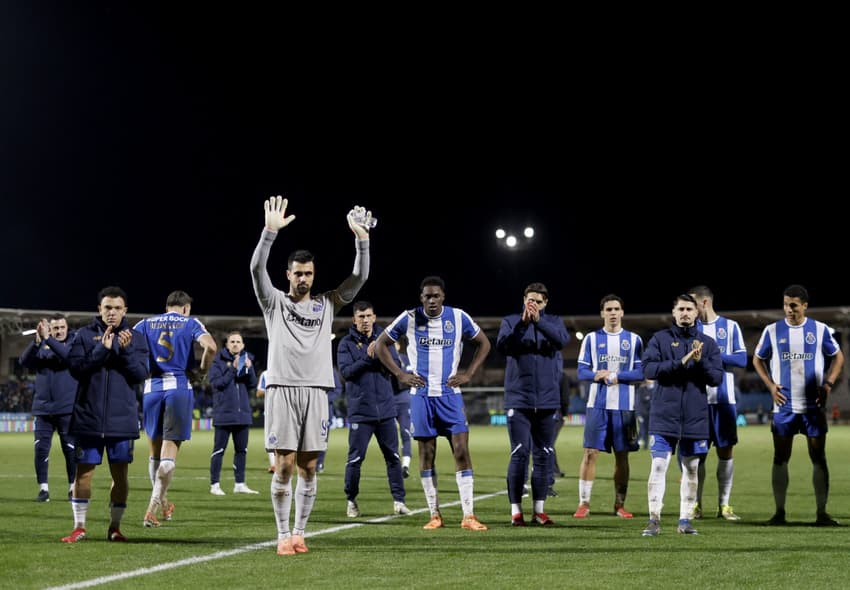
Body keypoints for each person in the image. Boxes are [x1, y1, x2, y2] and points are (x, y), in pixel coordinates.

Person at [251, 196, 371, 556]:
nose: (303, 278)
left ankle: (300, 533)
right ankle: (281, 534)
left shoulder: (327, 304)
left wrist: (361, 241)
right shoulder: (274, 303)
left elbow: (359, 277)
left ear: (313, 275)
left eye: (308, 273)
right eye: (297, 273)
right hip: (283, 389)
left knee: (309, 468)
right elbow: (257, 270)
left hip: (317, 391)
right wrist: (269, 233)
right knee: (284, 466)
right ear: (288, 274)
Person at [375, 275, 492, 532]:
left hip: (451, 396)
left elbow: (484, 342)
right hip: (421, 397)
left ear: (443, 297)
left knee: (461, 450)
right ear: (421, 298)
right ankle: (434, 514)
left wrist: (469, 373)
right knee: (427, 454)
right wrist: (400, 374)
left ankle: (469, 515)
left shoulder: (458, 317)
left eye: (435, 296)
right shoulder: (409, 318)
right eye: (427, 296)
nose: (431, 300)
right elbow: (380, 344)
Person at [61, 286, 149, 543]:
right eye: (107, 307)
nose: (112, 312)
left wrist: (123, 351)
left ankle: (115, 527)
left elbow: (140, 375)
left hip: (121, 420)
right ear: (99, 309)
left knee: (120, 475)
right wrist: (103, 350)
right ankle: (79, 527)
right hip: (88, 418)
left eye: (117, 308)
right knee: (83, 473)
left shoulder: (137, 338)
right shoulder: (83, 336)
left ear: (125, 311)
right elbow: (77, 369)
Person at [752, 284, 844, 526]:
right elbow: (757, 359)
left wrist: (828, 384)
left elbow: (838, 356)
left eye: (793, 305)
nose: (788, 309)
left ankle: (822, 513)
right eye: (785, 305)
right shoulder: (772, 331)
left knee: (818, 456)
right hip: (784, 407)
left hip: (813, 407)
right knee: (780, 457)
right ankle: (779, 512)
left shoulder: (820, 330)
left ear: (804, 305)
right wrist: (771, 386)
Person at [640, 294, 723, 537]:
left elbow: (716, 378)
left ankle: (685, 520)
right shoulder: (660, 339)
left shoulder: (708, 344)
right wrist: (681, 361)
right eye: (681, 309)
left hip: (695, 417)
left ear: (697, 313)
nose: (685, 313)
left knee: (692, 469)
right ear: (674, 313)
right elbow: (648, 369)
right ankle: (654, 519)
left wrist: (699, 363)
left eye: (689, 309)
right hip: (664, 416)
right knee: (658, 466)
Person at [134, 290, 217, 528]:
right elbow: (210, 347)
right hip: (178, 387)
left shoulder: (145, 323)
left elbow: (128, 347)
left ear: (166, 305)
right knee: (169, 456)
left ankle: (163, 503)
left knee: (154, 454)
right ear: (185, 308)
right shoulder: (190, 322)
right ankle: (151, 509)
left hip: (151, 389)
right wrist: (202, 371)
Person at [496, 282, 570, 527]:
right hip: (520, 399)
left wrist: (538, 321)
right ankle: (516, 511)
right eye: (529, 301)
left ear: (545, 303)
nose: (533, 305)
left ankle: (539, 511)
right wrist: (524, 323)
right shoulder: (511, 322)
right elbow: (503, 346)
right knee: (519, 453)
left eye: (538, 301)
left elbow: (561, 341)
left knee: (544, 455)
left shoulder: (554, 322)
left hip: (547, 401)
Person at [337, 300, 411, 517]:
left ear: (374, 317)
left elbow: (395, 366)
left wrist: (379, 353)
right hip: (361, 411)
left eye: (368, 316)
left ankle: (399, 501)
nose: (365, 320)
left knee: (393, 458)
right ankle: (351, 500)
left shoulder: (386, 340)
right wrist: (369, 358)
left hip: (387, 411)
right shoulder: (345, 344)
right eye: (361, 317)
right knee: (355, 459)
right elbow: (346, 372)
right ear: (354, 320)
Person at [574, 294, 644, 520]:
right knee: (590, 453)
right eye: (609, 309)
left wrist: (616, 376)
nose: (613, 313)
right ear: (602, 313)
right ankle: (583, 503)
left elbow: (641, 372)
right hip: (598, 405)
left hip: (625, 407)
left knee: (622, 456)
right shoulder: (591, 340)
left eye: (616, 309)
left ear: (622, 312)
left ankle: (619, 505)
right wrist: (597, 374)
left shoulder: (634, 340)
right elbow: (581, 371)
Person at [687, 285, 747, 521]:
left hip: (723, 400)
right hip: (697, 401)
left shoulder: (730, 327)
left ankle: (724, 505)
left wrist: (712, 356)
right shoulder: (691, 330)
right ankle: (695, 505)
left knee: (725, 451)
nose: (689, 310)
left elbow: (742, 359)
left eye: (693, 305)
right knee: (696, 455)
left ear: (704, 303)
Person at [19, 313, 78, 502]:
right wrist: (36, 342)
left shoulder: (73, 344)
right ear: (50, 329)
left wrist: (48, 339)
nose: (59, 331)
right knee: (41, 450)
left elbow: (66, 355)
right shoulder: (42, 345)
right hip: (43, 409)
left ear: (67, 328)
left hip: (67, 408)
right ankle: (43, 489)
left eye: (62, 327)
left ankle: (72, 488)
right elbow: (23, 361)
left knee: (70, 449)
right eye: (55, 328)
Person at [208, 330, 260, 495]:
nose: (236, 344)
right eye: (232, 342)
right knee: (219, 450)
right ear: (227, 345)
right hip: (224, 414)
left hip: (242, 414)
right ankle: (214, 485)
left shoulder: (247, 360)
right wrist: (233, 369)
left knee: (241, 451)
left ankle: (240, 484)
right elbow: (217, 384)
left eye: (238, 342)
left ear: (243, 345)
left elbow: (252, 384)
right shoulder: (218, 362)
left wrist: (249, 369)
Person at [393, 334, 413, 479]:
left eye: (394, 344)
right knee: (390, 436)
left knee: (405, 433)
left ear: (399, 346)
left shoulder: (406, 360)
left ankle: (405, 465)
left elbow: (413, 379)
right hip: (388, 402)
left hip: (404, 401)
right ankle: (393, 464)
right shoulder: (383, 361)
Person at [255, 370, 276, 473]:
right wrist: (272, 390)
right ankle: (273, 465)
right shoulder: (266, 374)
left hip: (287, 412)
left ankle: (284, 463)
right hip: (270, 412)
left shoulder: (287, 370)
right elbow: (259, 392)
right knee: (270, 439)